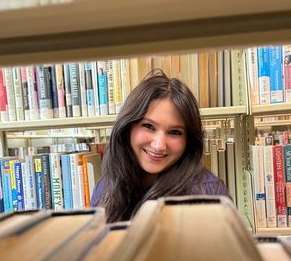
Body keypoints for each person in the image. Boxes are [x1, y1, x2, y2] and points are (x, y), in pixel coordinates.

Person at [91, 69, 228, 222]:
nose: (159, 145)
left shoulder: (208, 193)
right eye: (148, 126)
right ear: (127, 126)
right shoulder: (106, 188)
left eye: (175, 132)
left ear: (189, 139)